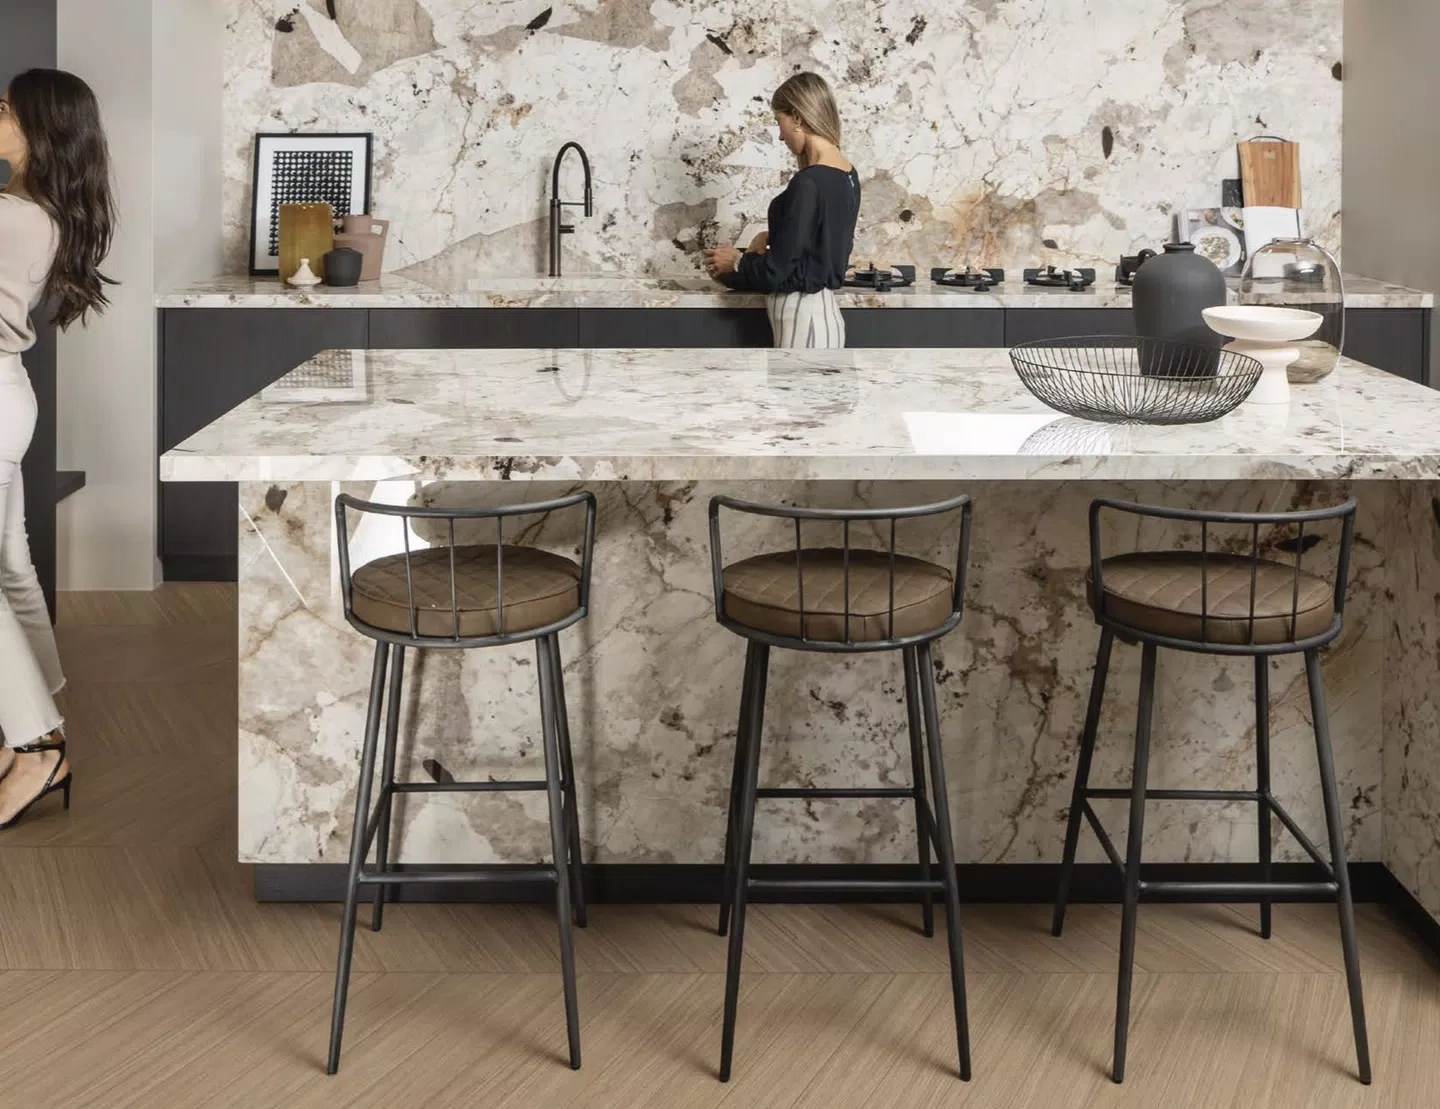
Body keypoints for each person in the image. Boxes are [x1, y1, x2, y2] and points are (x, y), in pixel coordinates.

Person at [0, 69, 116, 829]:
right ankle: (35, 730)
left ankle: (36, 746)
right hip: (8, 395)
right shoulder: (37, 212)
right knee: (10, 566)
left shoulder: (10, 214)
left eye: (3, 108)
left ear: (38, 130)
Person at [703, 72, 860, 349]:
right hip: (820, 320)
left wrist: (737, 262)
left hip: (803, 322)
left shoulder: (809, 181)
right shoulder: (847, 174)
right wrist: (767, 236)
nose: (779, 135)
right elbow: (815, 246)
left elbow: (777, 272)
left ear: (797, 118)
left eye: (779, 121)